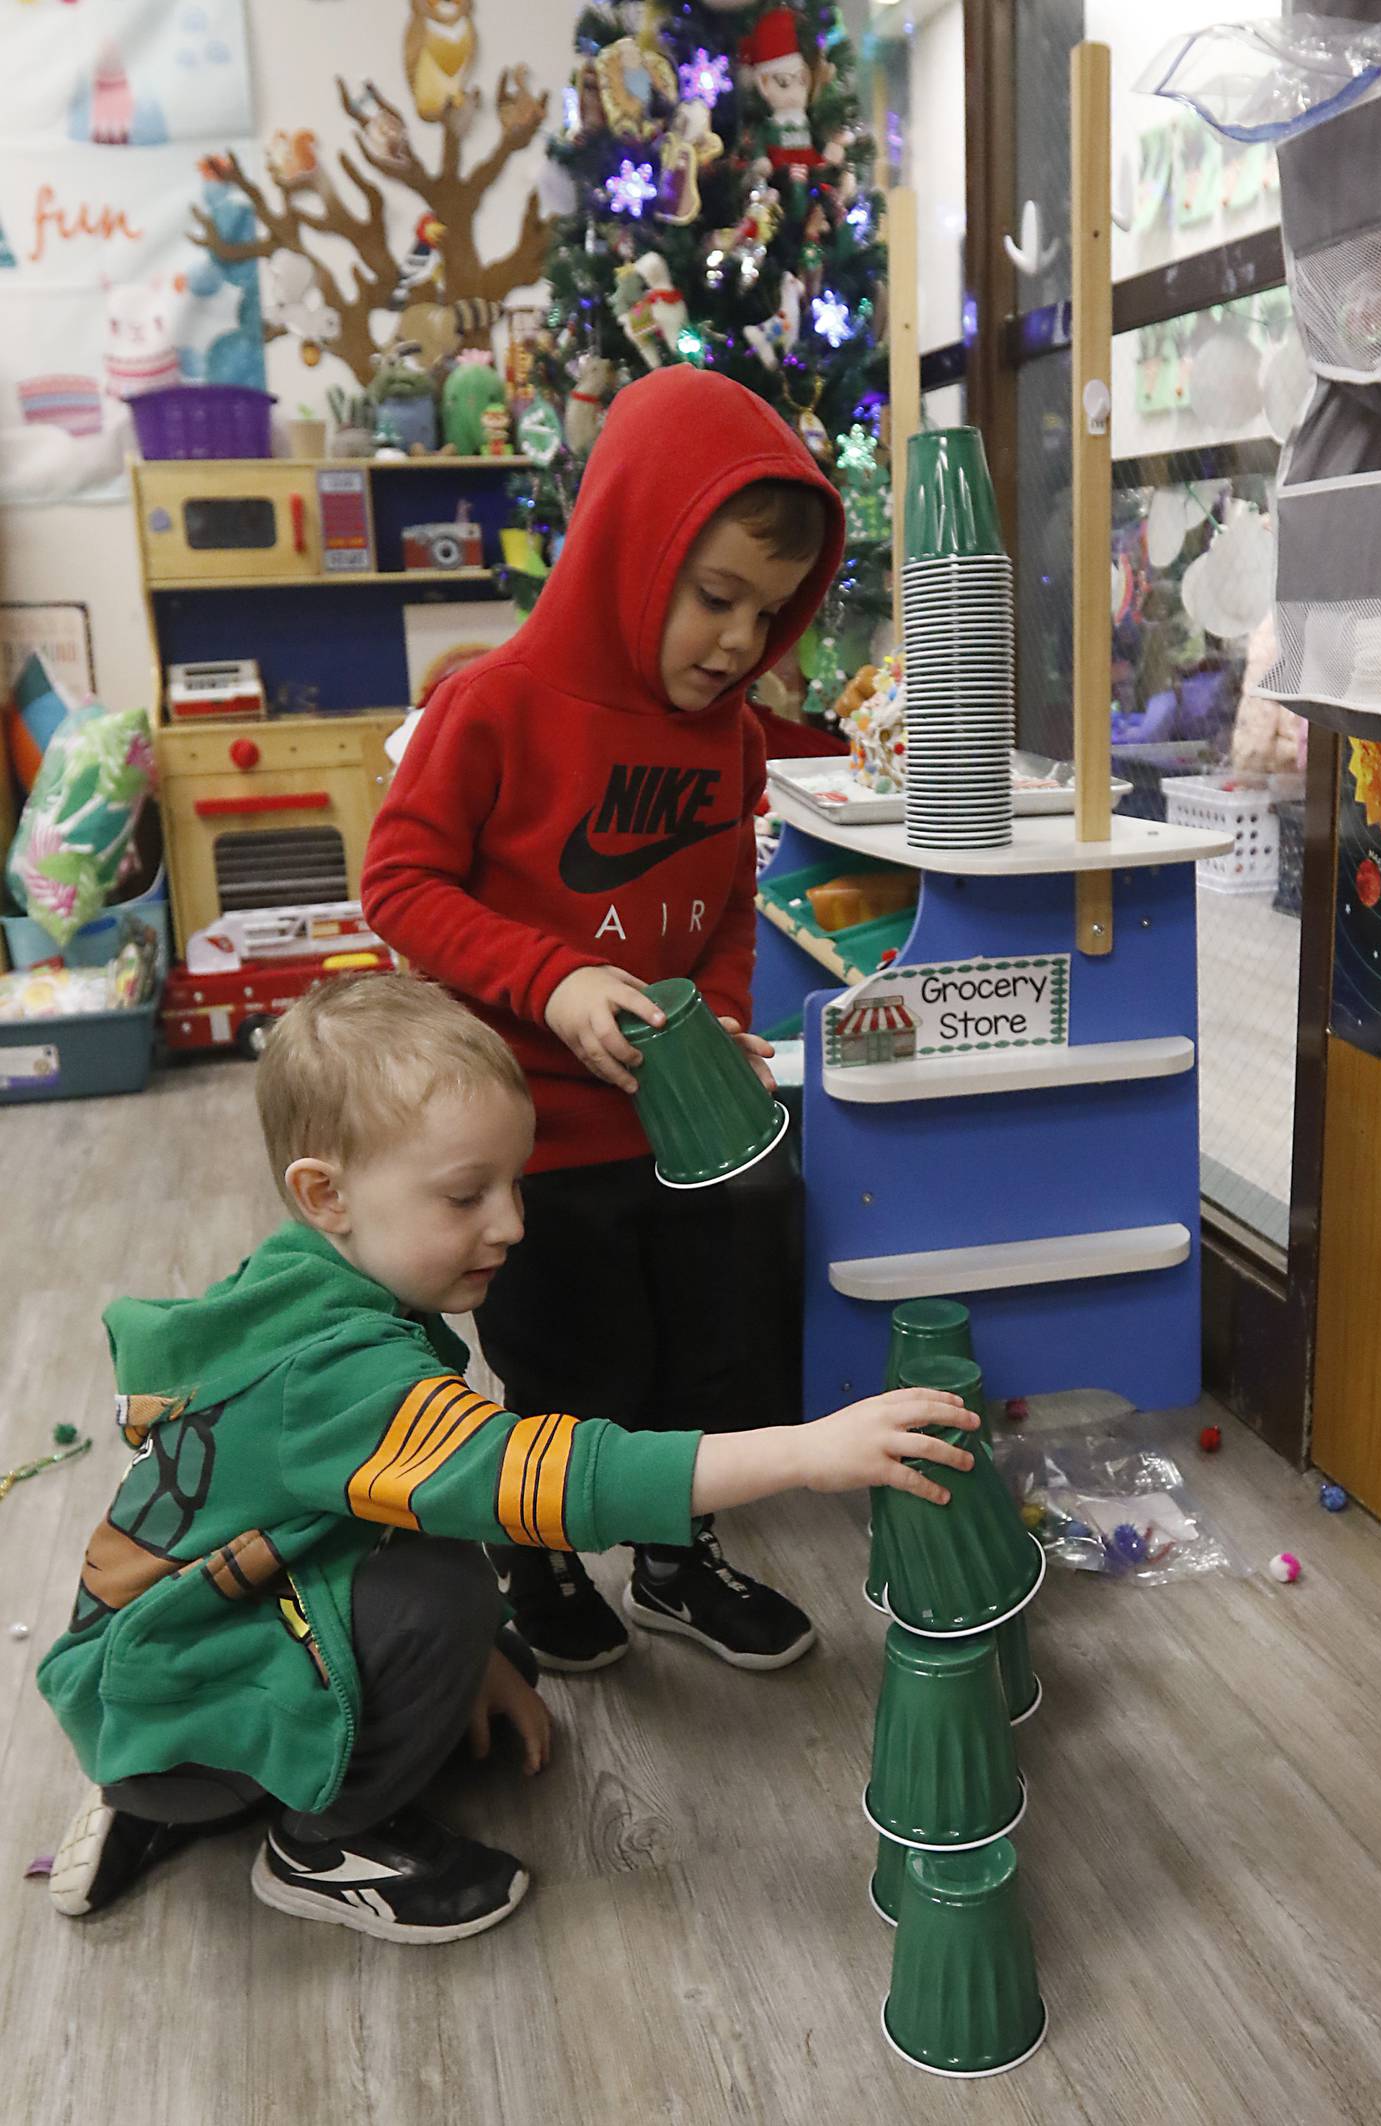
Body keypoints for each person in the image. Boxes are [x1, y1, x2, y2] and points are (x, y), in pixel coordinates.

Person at [37, 974, 977, 1945]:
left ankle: (166, 1780)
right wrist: (808, 1452)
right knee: (444, 1588)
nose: (513, 1224)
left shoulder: (302, 1279)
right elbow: (549, 1481)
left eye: (514, 1182)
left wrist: (479, 1655)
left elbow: (355, 1501)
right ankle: (321, 1842)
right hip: (162, 1687)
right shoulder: (336, 1372)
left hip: (164, 1655)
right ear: (326, 1193)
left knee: (468, 1618)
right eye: (465, 1194)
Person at [363, 365, 848, 1675]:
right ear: (632, 546)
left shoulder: (732, 734)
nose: (741, 643)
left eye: (770, 611)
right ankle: (540, 1555)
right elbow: (399, 881)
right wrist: (551, 977)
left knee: (713, 1339)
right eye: (716, 597)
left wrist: (730, 1016)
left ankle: (682, 1558)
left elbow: (734, 897)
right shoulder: (496, 706)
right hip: (532, 1136)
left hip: (680, 1121)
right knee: (572, 1358)